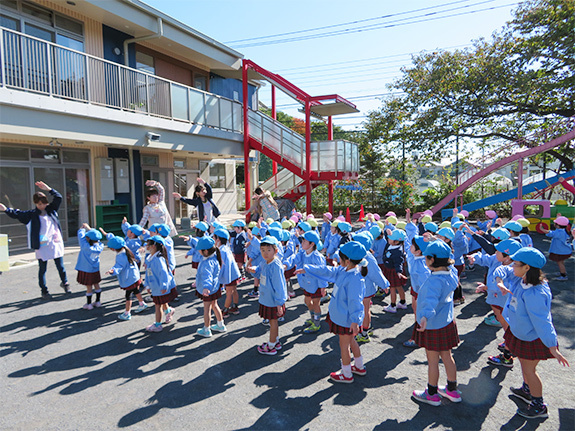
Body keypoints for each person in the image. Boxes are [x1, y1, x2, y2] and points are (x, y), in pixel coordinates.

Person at [496, 247, 569, 419]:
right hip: (520, 332)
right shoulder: (521, 278)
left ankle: (539, 405)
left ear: (527, 267)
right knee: (524, 365)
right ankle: (527, 390)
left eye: (515, 264)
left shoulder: (535, 293)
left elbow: (542, 321)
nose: (511, 266)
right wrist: (499, 281)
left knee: (530, 371)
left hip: (532, 338)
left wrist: (553, 346)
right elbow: (501, 269)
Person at [297, 241, 367, 383]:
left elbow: (356, 301)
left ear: (347, 260)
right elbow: (327, 271)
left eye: (339, 257)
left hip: (346, 319)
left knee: (344, 346)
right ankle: (359, 366)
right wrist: (308, 269)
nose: (337, 259)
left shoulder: (354, 279)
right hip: (344, 317)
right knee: (351, 341)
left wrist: (355, 320)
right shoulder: (345, 271)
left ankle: (346, 374)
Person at [411, 240, 461, 406]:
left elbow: (429, 301)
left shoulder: (434, 281)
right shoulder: (451, 274)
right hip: (446, 322)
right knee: (447, 356)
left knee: (432, 361)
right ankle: (452, 390)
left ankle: (431, 393)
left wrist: (424, 316)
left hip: (432, 324)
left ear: (431, 259)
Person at [0, 181, 70, 299]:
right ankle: (44, 290)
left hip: (55, 243)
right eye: (39, 204)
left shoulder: (51, 209)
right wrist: (6, 209)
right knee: (42, 269)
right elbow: (17, 214)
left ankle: (65, 283)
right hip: (41, 245)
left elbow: (59, 197)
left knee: (60, 266)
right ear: (35, 204)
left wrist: (48, 189)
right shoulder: (31, 215)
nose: (42, 206)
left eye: (43, 203)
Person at [247, 236, 288, 356]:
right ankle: (275, 341)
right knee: (272, 322)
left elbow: (280, 285)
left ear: (275, 251)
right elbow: (260, 271)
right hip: (267, 298)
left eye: (268, 250)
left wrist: (280, 302)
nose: (265, 253)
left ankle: (271, 346)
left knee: (273, 322)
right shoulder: (264, 262)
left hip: (273, 300)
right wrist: (255, 270)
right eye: (263, 250)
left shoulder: (275, 266)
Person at [284, 230, 327, 333]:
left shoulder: (317, 257)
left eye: (304, 241)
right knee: (307, 301)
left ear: (312, 244)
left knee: (316, 304)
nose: (301, 243)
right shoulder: (303, 252)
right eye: (302, 241)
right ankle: (313, 318)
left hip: (316, 285)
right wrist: (285, 264)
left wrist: (323, 287)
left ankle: (316, 323)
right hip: (307, 284)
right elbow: (294, 258)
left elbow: (322, 273)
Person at [353, 232, 389, 343]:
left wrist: (384, 285)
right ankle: (364, 328)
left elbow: (376, 273)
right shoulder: (357, 255)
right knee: (361, 310)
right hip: (358, 289)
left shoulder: (368, 258)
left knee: (365, 310)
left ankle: (364, 333)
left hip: (366, 289)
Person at [105, 236, 148, 321]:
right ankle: (142, 303)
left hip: (129, 279)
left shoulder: (120, 256)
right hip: (134, 277)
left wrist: (112, 271)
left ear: (114, 248)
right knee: (136, 291)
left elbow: (119, 266)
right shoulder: (126, 251)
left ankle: (127, 313)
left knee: (128, 296)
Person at [143, 236, 178, 332]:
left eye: (148, 244)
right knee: (161, 302)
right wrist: (147, 285)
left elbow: (163, 273)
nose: (146, 246)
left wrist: (164, 286)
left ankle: (158, 325)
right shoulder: (151, 258)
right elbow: (148, 273)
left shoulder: (158, 259)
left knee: (157, 305)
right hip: (156, 286)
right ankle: (168, 311)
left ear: (153, 246)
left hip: (159, 286)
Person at [194, 236, 226, 337]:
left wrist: (206, 287)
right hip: (215, 288)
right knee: (215, 305)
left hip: (208, 289)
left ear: (206, 251)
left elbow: (207, 276)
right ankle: (221, 325)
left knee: (207, 309)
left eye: (200, 250)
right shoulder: (214, 258)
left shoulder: (207, 262)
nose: (199, 252)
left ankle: (206, 329)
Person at [403, 235, 431, 348]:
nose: (410, 246)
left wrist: (421, 297)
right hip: (415, 290)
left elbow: (425, 285)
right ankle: (419, 333)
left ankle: (418, 338)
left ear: (419, 251)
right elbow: (407, 246)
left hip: (421, 293)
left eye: (413, 245)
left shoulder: (422, 267)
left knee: (420, 314)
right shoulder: (415, 255)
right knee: (415, 310)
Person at [76, 224, 105, 310]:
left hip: (86, 269)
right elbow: (96, 239)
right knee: (96, 284)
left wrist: (82, 229)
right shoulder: (100, 246)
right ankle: (98, 301)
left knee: (89, 286)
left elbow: (81, 236)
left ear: (88, 238)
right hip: (95, 269)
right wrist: (89, 229)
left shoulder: (85, 246)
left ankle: (89, 304)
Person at [214, 228, 241, 317]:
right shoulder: (226, 248)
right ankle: (235, 307)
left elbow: (221, 266)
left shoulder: (221, 251)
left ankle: (225, 309)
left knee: (229, 292)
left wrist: (218, 278)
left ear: (218, 239)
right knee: (234, 290)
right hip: (233, 274)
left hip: (228, 275)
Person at [539, 216, 572, 281]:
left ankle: (563, 275)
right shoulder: (564, 231)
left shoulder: (559, 232)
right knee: (561, 262)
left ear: (558, 225)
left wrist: (542, 229)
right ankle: (563, 271)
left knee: (560, 262)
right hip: (565, 251)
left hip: (560, 251)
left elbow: (551, 233)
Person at [382, 229, 408, 313]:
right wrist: (387, 232)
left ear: (396, 242)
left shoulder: (397, 251)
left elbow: (399, 263)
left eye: (390, 238)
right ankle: (403, 302)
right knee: (399, 287)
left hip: (393, 271)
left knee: (392, 288)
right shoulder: (392, 244)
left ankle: (393, 305)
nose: (388, 239)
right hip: (391, 270)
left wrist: (399, 271)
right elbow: (387, 238)